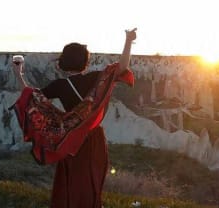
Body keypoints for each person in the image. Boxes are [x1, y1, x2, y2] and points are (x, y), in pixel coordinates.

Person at [12, 28, 137, 208]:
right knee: (92, 180)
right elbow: (122, 67)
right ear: (85, 63)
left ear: (63, 63)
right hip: (94, 138)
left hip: (71, 140)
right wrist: (128, 41)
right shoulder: (96, 78)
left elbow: (32, 98)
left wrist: (19, 74)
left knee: (72, 181)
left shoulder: (60, 86)